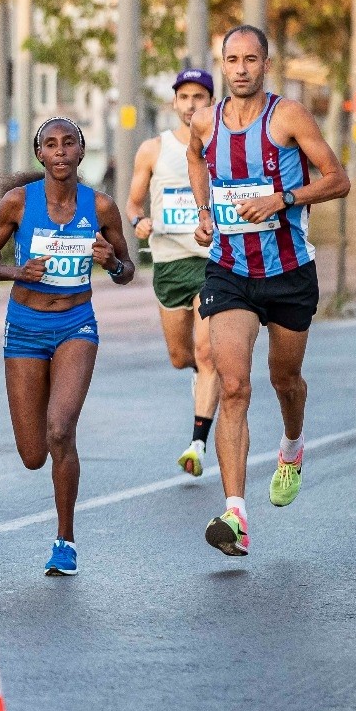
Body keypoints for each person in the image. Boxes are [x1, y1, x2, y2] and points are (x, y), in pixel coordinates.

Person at [187, 25, 349, 558]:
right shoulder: (205, 120)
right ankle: (235, 515)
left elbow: (337, 179)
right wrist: (206, 212)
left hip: (288, 272)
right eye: (231, 60)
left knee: (286, 379)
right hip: (229, 270)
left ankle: (292, 445)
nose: (239, 69)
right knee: (233, 385)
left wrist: (282, 199)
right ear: (222, 64)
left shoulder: (288, 116)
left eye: (249, 59)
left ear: (265, 64)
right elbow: (195, 156)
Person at [0, 117, 135, 576]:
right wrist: (17, 272)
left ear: (81, 153)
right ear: (39, 155)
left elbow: (128, 271)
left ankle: (65, 540)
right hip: (24, 327)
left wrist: (112, 264)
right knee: (32, 454)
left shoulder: (100, 207)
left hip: (75, 325)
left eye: (69, 143)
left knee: (61, 428)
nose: (61, 151)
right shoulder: (16, 204)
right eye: (51, 144)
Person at [125, 68, 222, 477]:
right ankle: (201, 381)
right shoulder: (152, 149)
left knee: (206, 351)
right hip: (168, 264)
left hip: (214, 262)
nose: (192, 104)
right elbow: (132, 203)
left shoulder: (222, 146)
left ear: (211, 101)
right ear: (175, 103)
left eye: (200, 96)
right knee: (181, 356)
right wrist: (138, 222)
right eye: (184, 97)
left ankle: (197, 442)